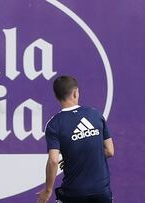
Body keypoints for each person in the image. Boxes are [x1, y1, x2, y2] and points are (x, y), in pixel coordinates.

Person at [37, 75, 114, 203]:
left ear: (57, 97)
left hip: (73, 194)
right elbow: (110, 151)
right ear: (75, 93)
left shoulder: (54, 124)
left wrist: (48, 190)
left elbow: (53, 160)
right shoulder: (95, 114)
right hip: (102, 192)